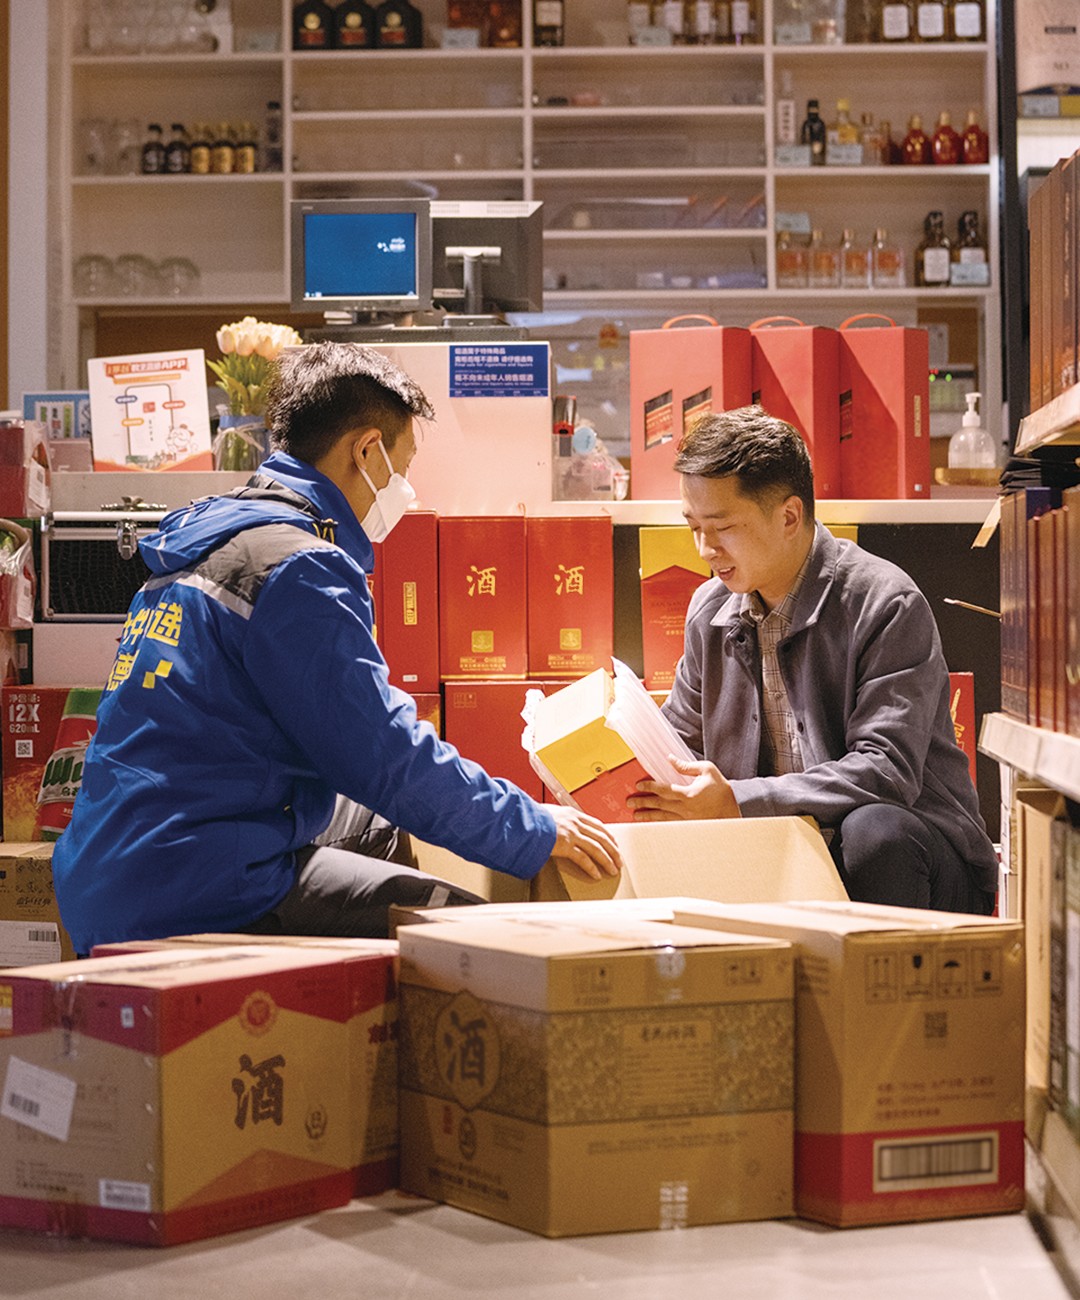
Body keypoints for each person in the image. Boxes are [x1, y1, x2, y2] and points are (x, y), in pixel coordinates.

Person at [53, 342, 621, 954]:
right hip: (195, 886)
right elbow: (385, 756)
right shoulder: (297, 566)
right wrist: (533, 828)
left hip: (108, 870)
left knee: (377, 823)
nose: (403, 489)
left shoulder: (209, 542)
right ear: (367, 451)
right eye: (402, 468)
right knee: (471, 934)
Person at [627, 405, 998, 914]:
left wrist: (738, 799)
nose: (705, 549)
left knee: (873, 831)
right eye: (693, 527)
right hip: (780, 854)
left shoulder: (884, 602)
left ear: (789, 516)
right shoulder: (708, 611)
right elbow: (678, 743)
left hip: (918, 860)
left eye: (722, 527)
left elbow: (886, 771)